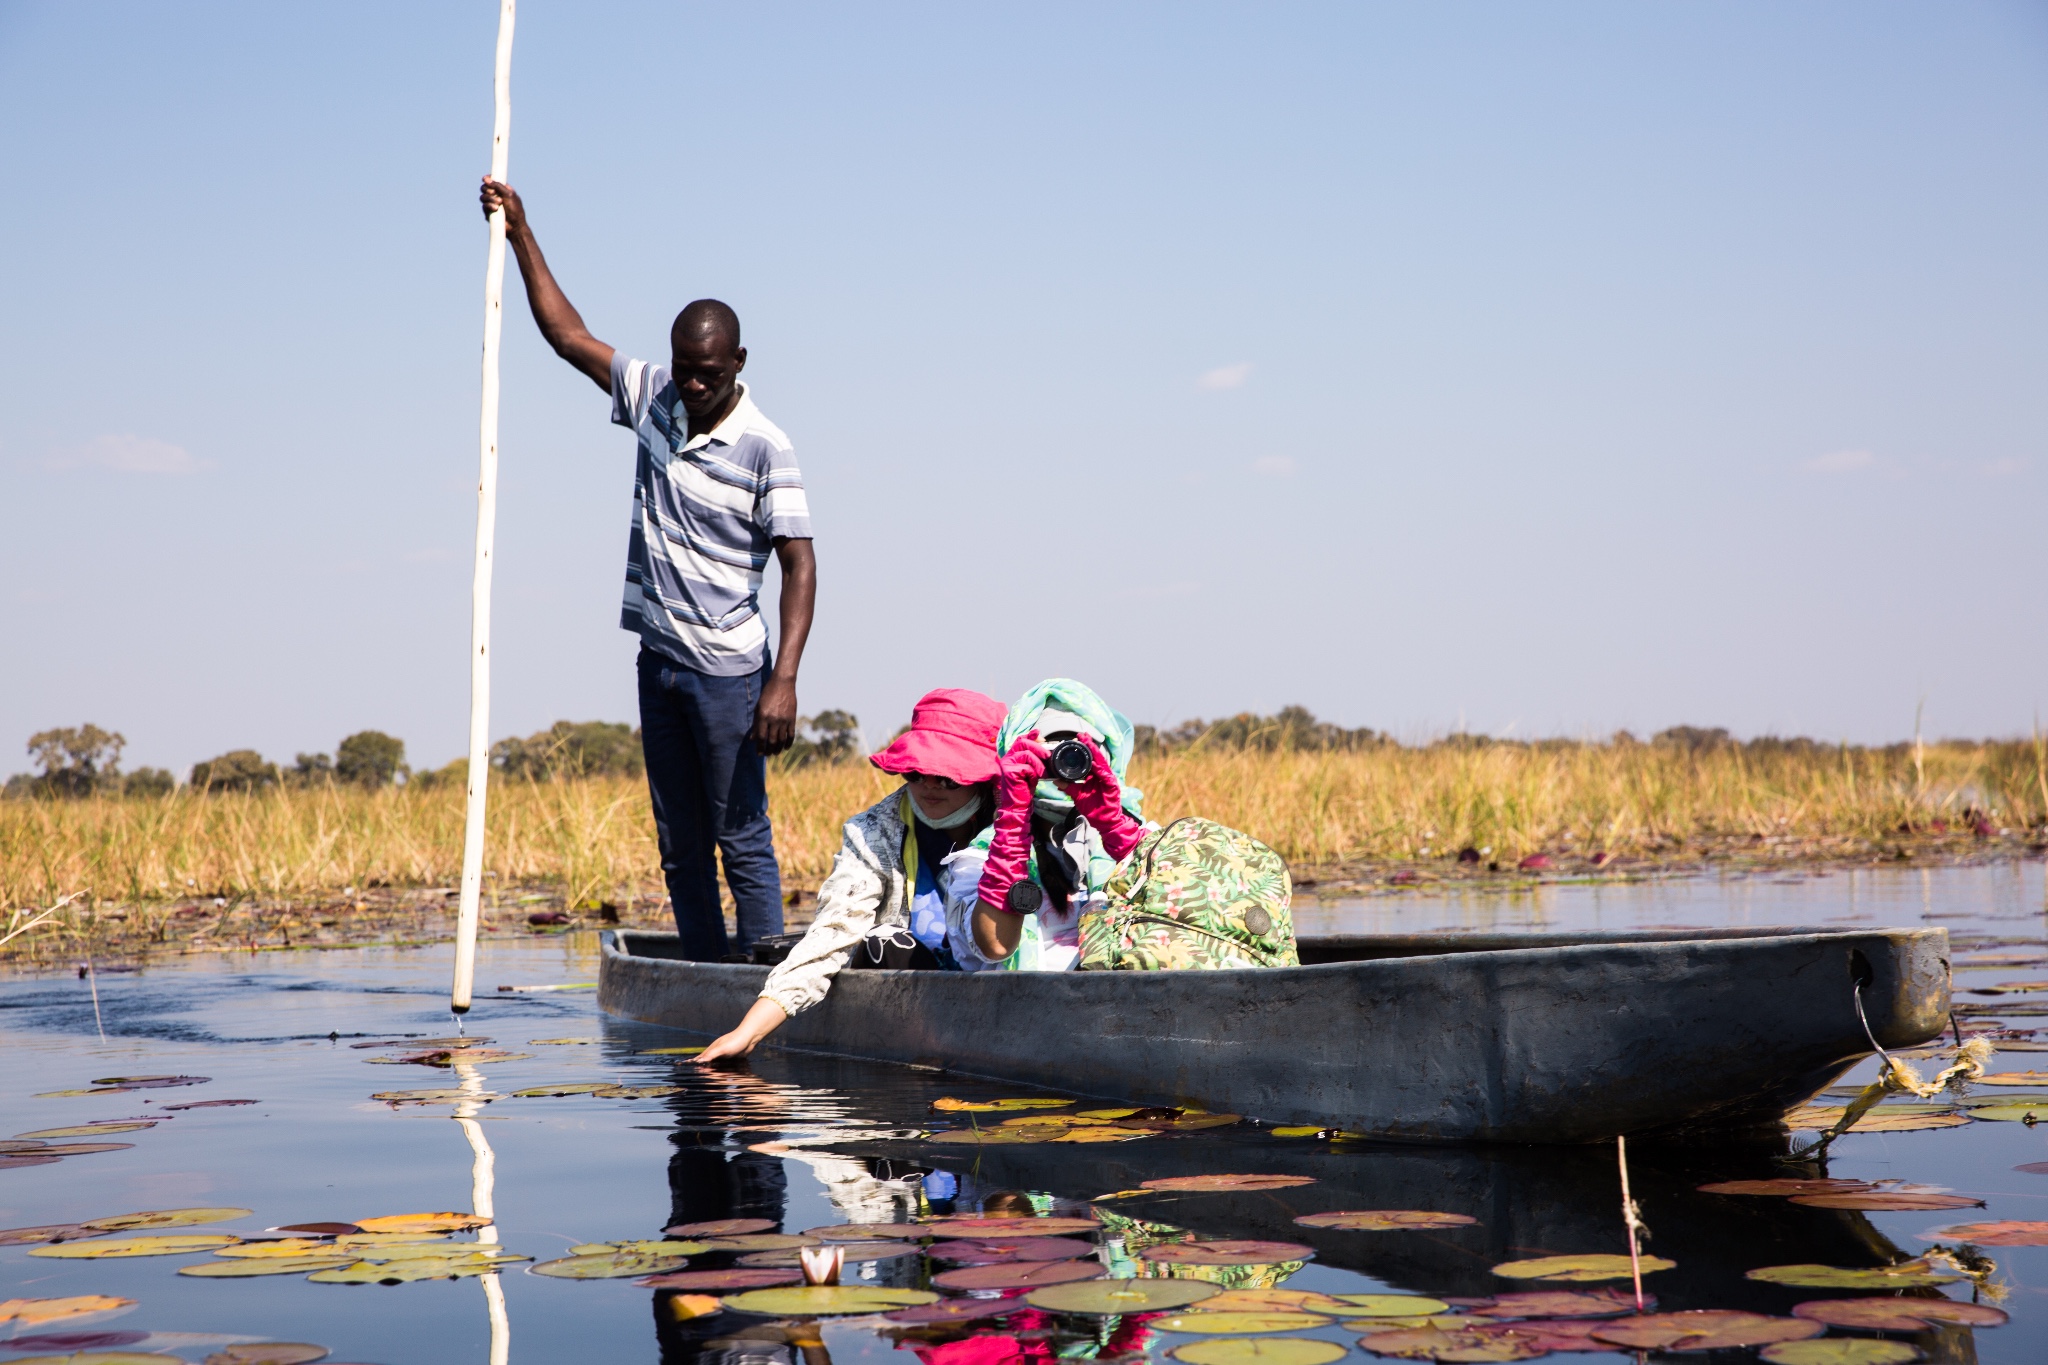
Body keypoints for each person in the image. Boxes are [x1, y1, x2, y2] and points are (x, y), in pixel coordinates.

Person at [479, 178, 816, 962]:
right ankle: (703, 973)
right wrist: (520, 232)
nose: (693, 385)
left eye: (708, 371)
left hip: (730, 673)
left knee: (740, 831)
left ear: (738, 361)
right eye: (683, 369)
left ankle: (764, 970)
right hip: (659, 663)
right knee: (679, 840)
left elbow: (800, 565)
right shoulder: (656, 397)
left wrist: (785, 679)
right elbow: (569, 336)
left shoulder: (767, 445)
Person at [694, 689, 1007, 1063]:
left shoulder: (1023, 826)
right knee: (883, 943)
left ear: (985, 779)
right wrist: (748, 1032)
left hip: (1003, 984)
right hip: (918, 993)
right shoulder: (875, 831)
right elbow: (834, 931)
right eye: (916, 772)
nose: (929, 786)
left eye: (949, 777)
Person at [971, 679, 1299, 972]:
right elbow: (996, 947)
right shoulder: (979, 861)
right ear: (1013, 755)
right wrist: (1013, 821)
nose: (1062, 764)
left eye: (1077, 752)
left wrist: (1114, 827)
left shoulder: (1152, 847)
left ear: (1107, 757)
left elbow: (1217, 910)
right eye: (1048, 752)